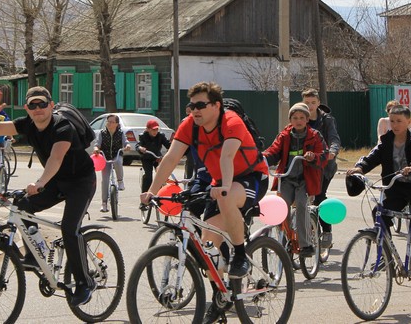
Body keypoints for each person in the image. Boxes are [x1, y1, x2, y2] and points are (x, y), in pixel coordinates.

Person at [141, 81, 268, 284]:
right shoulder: (190, 125)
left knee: (226, 199)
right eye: (192, 106)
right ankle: (220, 299)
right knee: (207, 250)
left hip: (250, 177)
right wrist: (151, 191)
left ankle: (240, 254)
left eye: (200, 105)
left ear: (216, 105)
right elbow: (171, 158)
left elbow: (227, 156)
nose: (194, 110)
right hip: (220, 183)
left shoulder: (231, 121)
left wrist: (225, 186)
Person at [0, 86, 97, 307]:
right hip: (56, 181)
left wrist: (39, 183)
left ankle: (85, 282)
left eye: (42, 104)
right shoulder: (27, 124)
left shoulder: (63, 126)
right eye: (33, 105)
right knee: (22, 206)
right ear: (27, 108)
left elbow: (56, 158)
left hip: (81, 182)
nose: (38, 109)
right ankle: (35, 255)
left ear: (51, 105)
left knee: (69, 228)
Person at [347, 105, 411, 280]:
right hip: (396, 189)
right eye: (392, 121)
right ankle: (385, 255)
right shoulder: (386, 140)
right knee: (379, 213)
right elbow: (372, 157)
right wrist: (359, 167)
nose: (395, 125)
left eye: (399, 121)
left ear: (408, 122)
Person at [263, 102, 327, 257]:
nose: (298, 120)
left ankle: (306, 245)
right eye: (295, 117)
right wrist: (262, 158)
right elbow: (274, 151)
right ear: (290, 120)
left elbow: (323, 154)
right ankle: (284, 239)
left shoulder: (315, 136)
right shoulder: (284, 136)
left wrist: (314, 157)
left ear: (307, 120)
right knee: (280, 206)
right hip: (287, 179)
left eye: (301, 117)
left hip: (305, 180)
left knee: (301, 205)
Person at [302, 88, 341, 250]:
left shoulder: (327, 120)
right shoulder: (299, 118)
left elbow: (334, 138)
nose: (309, 106)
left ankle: (326, 231)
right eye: (306, 103)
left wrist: (332, 151)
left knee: (319, 196)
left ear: (318, 103)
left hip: (324, 165)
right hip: (305, 164)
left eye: (313, 102)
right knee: (300, 198)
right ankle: (304, 230)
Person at [94, 114, 131, 212]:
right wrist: (96, 149)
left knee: (118, 162)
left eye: (112, 122)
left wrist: (127, 146)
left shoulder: (120, 133)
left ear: (117, 124)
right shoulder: (102, 133)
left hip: (116, 154)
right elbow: (97, 144)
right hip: (105, 157)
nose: (109, 124)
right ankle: (104, 203)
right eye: (108, 121)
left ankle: (120, 181)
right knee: (105, 180)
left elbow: (126, 142)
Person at [137, 119, 170, 195]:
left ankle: (160, 195)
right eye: (153, 129)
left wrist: (174, 147)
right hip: (146, 158)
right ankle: (144, 197)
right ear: (148, 129)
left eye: (156, 129)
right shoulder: (143, 136)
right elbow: (138, 145)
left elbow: (168, 145)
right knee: (148, 177)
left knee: (160, 176)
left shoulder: (161, 136)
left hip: (157, 158)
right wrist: (140, 148)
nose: (155, 131)